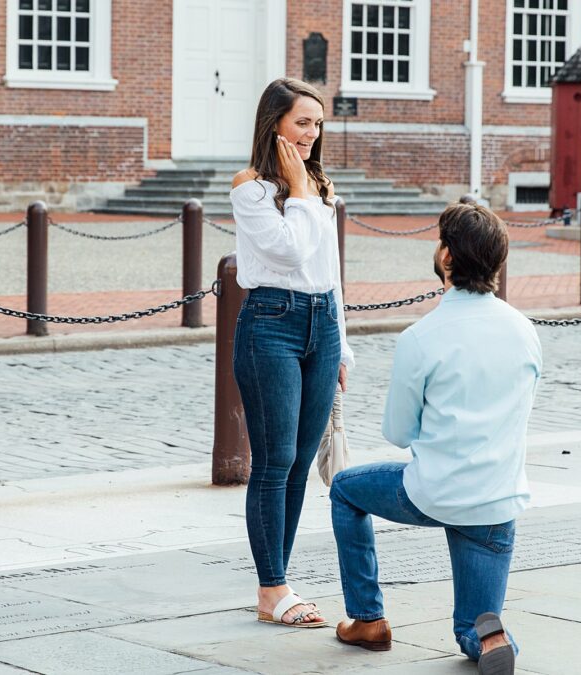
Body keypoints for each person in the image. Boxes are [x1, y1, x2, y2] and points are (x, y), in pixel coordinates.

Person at [330, 202, 541, 675]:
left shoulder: (422, 337)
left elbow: (398, 433)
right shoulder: (524, 330)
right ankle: (490, 638)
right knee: (472, 627)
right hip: (497, 501)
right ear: (497, 262)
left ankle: (368, 618)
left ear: (446, 258)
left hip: (435, 491)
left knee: (345, 489)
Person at [229, 77, 354, 628]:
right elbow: (290, 249)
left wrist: (343, 345)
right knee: (275, 460)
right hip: (270, 326)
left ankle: (279, 578)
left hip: (321, 325)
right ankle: (272, 588)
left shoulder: (321, 186)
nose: (312, 133)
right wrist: (299, 191)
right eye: (302, 121)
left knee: (302, 462)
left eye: (318, 123)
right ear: (274, 123)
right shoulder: (251, 188)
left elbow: (329, 270)